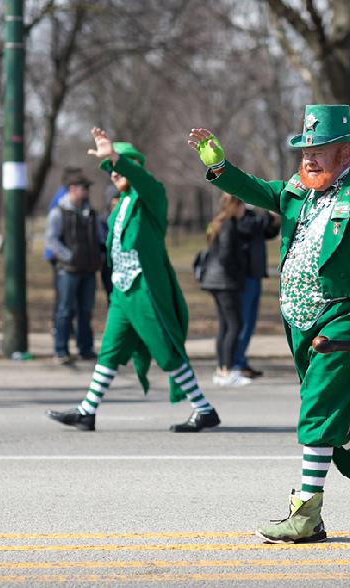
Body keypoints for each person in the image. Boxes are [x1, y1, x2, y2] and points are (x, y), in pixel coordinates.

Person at [188, 103, 350, 544]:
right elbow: (257, 190)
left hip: (346, 321)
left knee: (317, 412)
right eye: (305, 151)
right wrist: (220, 167)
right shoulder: (299, 191)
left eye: (319, 151)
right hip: (302, 323)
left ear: (346, 153)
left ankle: (306, 514)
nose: (310, 159)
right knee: (330, 419)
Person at [46, 131, 220, 433]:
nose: (113, 174)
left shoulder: (151, 196)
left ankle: (204, 409)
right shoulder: (121, 203)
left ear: (133, 166)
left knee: (165, 350)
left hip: (145, 289)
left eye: (118, 168)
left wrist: (116, 158)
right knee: (109, 352)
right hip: (122, 291)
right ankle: (87, 412)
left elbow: (142, 180)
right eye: (110, 170)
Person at [45, 169, 102, 364]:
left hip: (89, 269)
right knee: (65, 310)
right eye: (84, 187)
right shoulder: (58, 212)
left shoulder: (91, 213)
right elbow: (51, 240)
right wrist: (69, 257)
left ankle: (85, 348)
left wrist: (99, 255)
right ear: (72, 189)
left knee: (86, 311)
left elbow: (99, 237)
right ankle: (61, 350)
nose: (87, 191)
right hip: (68, 270)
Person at [200, 194, 252, 386]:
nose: (244, 209)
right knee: (235, 324)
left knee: (225, 325)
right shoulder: (229, 224)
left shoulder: (217, 222)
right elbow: (226, 255)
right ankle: (227, 370)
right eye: (242, 205)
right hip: (225, 281)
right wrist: (238, 272)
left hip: (214, 280)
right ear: (235, 207)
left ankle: (222, 369)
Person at [233, 206, 281, 378]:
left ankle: (240, 361)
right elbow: (249, 228)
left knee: (250, 323)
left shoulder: (252, 216)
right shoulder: (236, 216)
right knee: (242, 323)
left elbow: (267, 232)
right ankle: (235, 363)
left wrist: (275, 221)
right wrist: (268, 213)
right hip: (242, 278)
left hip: (255, 275)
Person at [45, 166, 82, 329]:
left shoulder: (72, 196)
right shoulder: (62, 198)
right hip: (59, 255)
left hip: (66, 254)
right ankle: (58, 325)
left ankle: (66, 325)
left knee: (67, 294)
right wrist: (67, 255)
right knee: (63, 294)